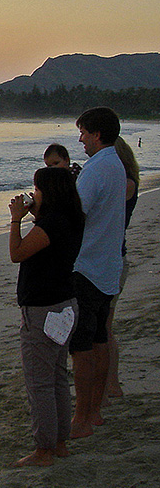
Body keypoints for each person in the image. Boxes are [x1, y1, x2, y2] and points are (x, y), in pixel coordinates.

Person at [8, 167, 84, 467]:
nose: (33, 194)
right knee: (56, 378)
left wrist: (16, 219)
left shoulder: (51, 224)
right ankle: (60, 442)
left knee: (40, 382)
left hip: (43, 309)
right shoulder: (71, 218)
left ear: (48, 192)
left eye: (36, 189)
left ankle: (44, 450)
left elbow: (17, 252)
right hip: (64, 304)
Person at [68, 107, 126, 439]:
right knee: (100, 339)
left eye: (84, 133)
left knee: (84, 347)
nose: (81, 140)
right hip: (107, 266)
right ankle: (96, 412)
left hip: (87, 266)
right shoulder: (116, 165)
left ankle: (82, 418)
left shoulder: (96, 169)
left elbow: (77, 215)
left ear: (97, 134)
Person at [105, 137, 140, 398]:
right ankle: (108, 383)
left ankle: (111, 383)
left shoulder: (127, 185)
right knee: (102, 326)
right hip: (110, 256)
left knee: (104, 326)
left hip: (114, 258)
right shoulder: (122, 183)